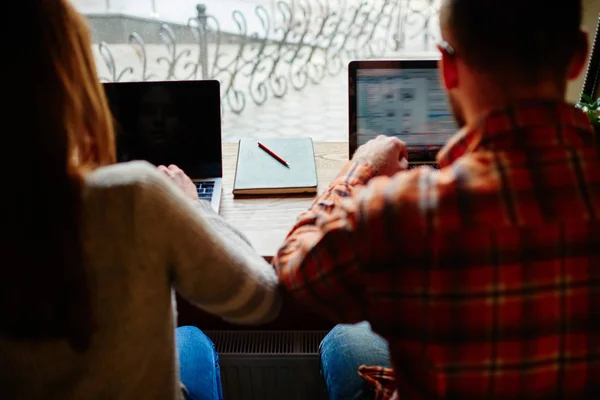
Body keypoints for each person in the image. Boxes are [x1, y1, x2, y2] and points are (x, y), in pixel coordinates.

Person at [273, 0, 600, 399]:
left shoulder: (406, 213)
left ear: (446, 67)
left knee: (346, 338)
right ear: (579, 56)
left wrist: (360, 169)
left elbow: (295, 270)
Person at [0, 1, 280, 399]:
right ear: (71, 80)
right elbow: (261, 299)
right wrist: (194, 207)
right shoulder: (135, 196)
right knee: (193, 341)